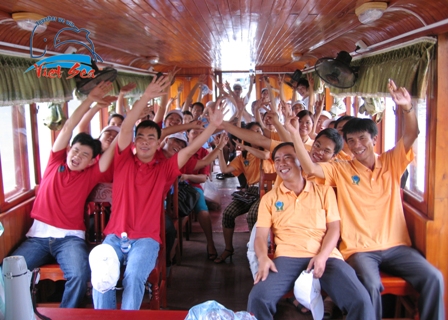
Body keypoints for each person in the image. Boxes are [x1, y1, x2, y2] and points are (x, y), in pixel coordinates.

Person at [288, 80, 444, 320]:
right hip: (360, 250)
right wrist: (294, 135)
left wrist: (407, 107)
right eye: (351, 141)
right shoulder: (341, 169)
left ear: (374, 138)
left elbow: (412, 133)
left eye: (362, 139)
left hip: (397, 246)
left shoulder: (391, 163)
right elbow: (309, 167)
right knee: (370, 285)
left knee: (434, 278)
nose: (356, 145)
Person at [92, 75, 226, 310]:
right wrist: (146, 97)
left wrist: (213, 126)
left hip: (146, 238)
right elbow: (125, 128)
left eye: (151, 138)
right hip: (115, 235)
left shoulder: (165, 169)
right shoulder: (124, 161)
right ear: (135, 142)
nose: (145, 142)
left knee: (133, 277)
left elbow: (193, 148)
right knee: (103, 277)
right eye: (140, 137)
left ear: (158, 143)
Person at [11, 82, 117, 308]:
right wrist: (91, 101)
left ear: (91, 161)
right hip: (37, 238)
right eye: (75, 150)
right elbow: (69, 126)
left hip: (69, 239)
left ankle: (67, 315)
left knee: (79, 274)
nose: (77, 156)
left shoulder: (91, 174)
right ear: (69, 150)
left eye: (85, 155)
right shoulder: (55, 162)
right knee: (8, 271)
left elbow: (112, 150)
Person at [247, 142, 374, 320]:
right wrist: (262, 258)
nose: (281, 163)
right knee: (258, 298)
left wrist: (322, 256)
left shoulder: (324, 191)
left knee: (360, 300)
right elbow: (260, 236)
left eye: (288, 157)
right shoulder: (270, 198)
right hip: (287, 257)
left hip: (326, 257)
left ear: (301, 160)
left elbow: (334, 228)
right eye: (277, 160)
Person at [214, 122, 275, 263]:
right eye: (253, 132)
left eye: (259, 131)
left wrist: (246, 146)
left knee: (253, 215)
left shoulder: (269, 150)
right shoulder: (244, 156)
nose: (257, 134)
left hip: (268, 191)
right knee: (228, 213)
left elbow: (265, 155)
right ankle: (228, 249)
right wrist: (219, 149)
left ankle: (256, 252)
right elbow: (224, 170)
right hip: (251, 191)